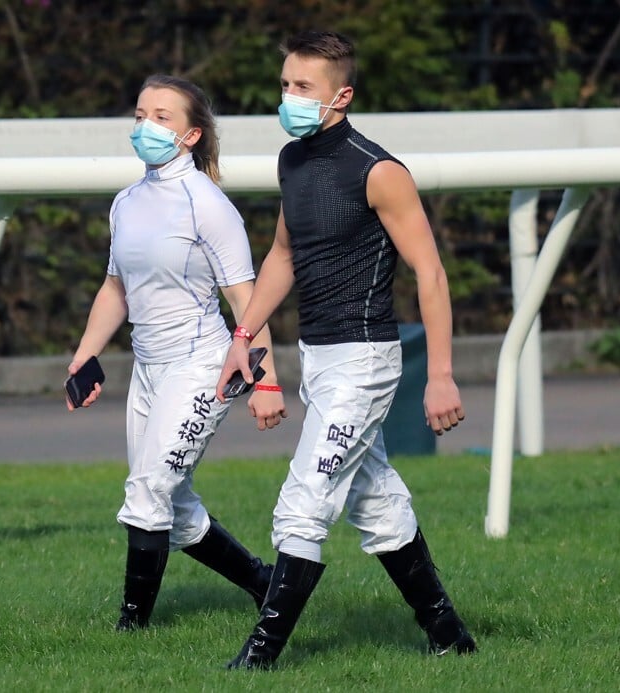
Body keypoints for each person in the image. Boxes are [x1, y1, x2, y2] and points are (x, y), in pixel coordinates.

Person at [215, 31, 477, 669]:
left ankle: (258, 658)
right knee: (375, 503)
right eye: (285, 85)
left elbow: (431, 274)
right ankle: (452, 639)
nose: (289, 98)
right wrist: (241, 339)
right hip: (319, 361)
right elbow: (283, 256)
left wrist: (439, 376)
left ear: (341, 95)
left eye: (303, 87)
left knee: (302, 504)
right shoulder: (293, 161)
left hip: (365, 363)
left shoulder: (379, 170)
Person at [67, 73, 288, 632]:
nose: (146, 126)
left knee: (148, 491)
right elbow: (115, 289)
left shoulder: (207, 205)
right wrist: (84, 356)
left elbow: (247, 300)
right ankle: (266, 584)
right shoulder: (126, 203)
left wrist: (265, 383)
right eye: (140, 115)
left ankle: (131, 627)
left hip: (203, 367)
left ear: (191, 135)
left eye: (162, 117)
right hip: (148, 371)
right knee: (176, 504)